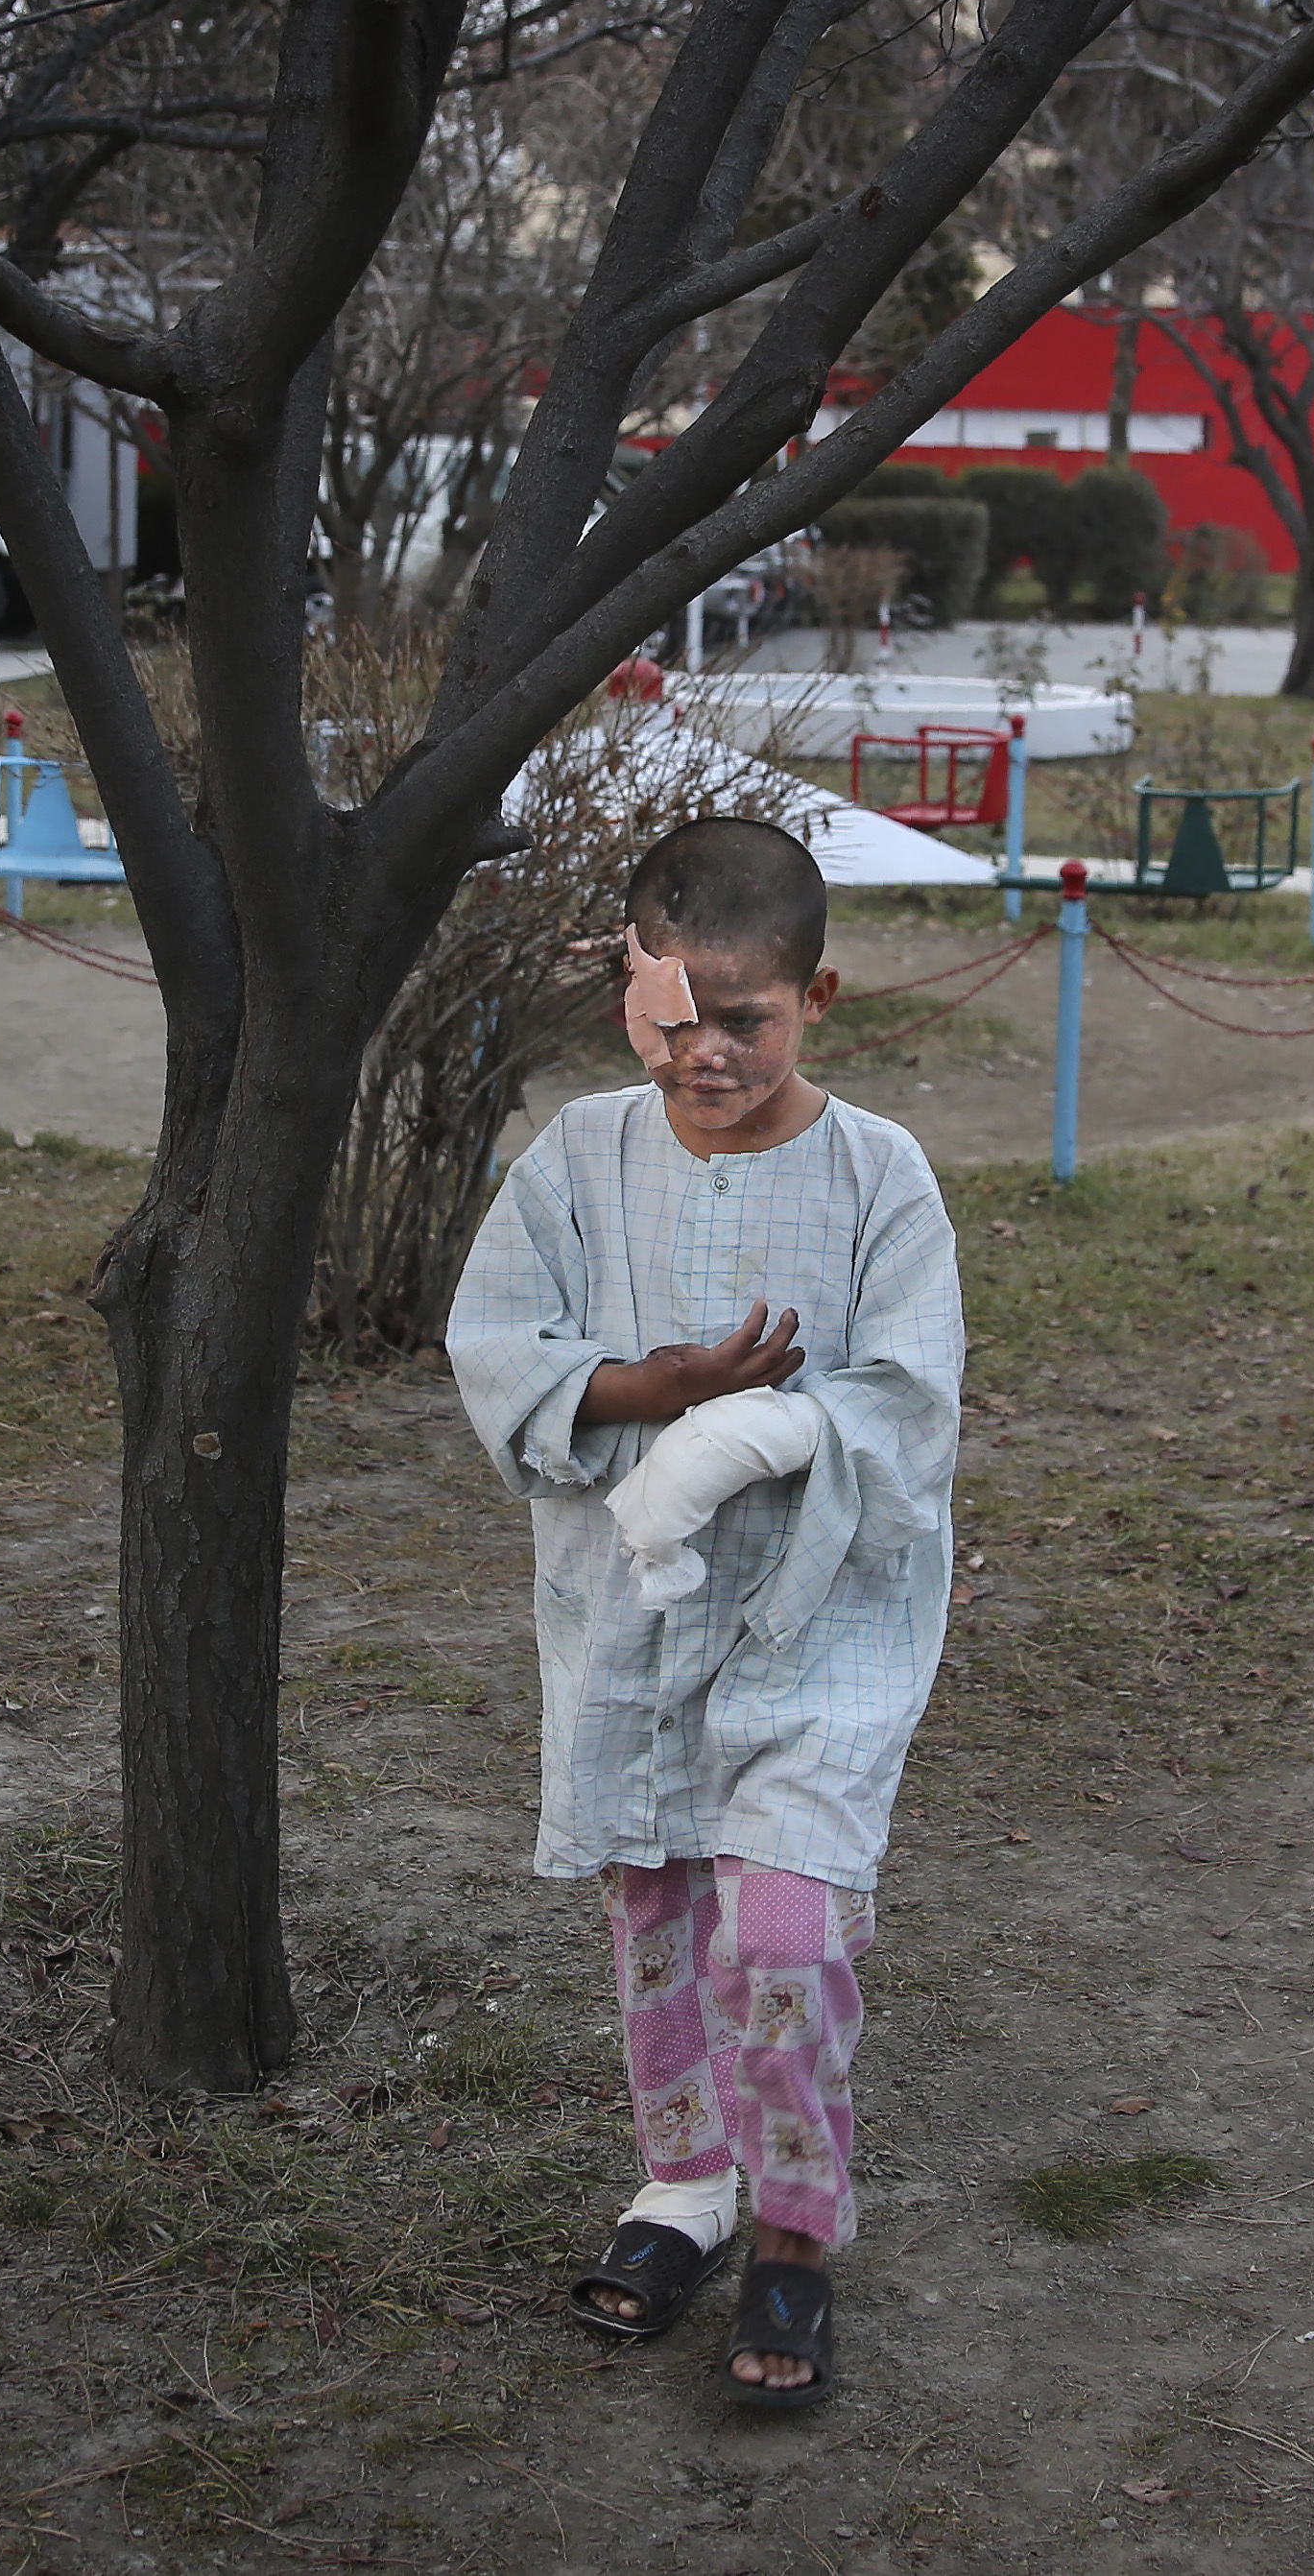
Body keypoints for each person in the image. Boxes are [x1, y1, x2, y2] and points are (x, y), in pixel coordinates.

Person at [444, 816, 963, 2410]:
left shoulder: (879, 1177)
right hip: (629, 1627)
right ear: (624, 991)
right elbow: (499, 1347)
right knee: (657, 1911)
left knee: (785, 1933)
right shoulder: (574, 1161)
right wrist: (651, 1388)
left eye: (743, 1019)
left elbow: (905, 1396)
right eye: (671, 1017)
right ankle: (684, 2180)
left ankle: (794, 2230)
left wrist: (767, 1428)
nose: (705, 1053)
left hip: (820, 1635)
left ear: (816, 994)